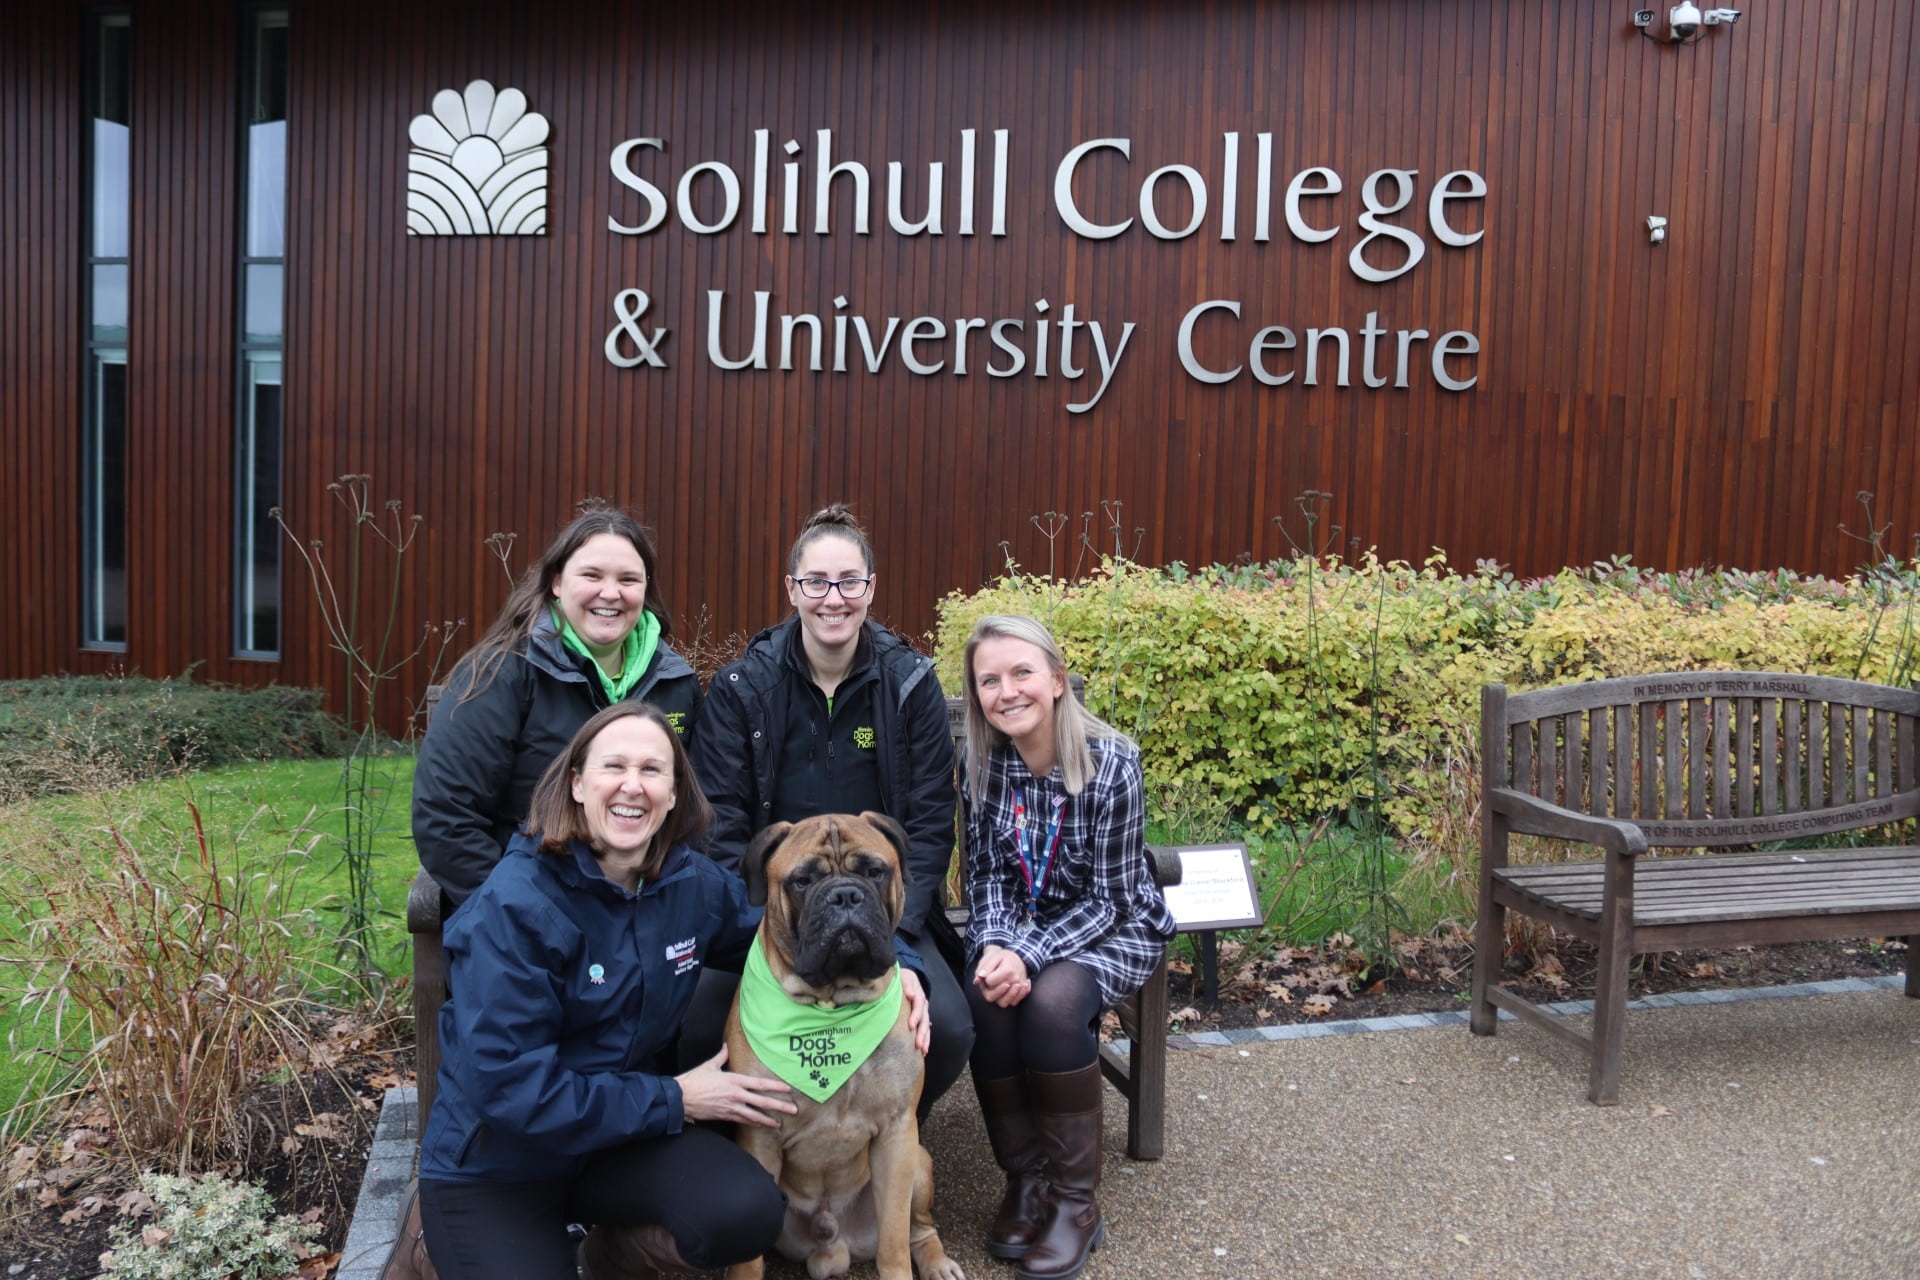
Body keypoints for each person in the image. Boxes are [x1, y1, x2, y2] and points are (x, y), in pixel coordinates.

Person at [410, 702, 794, 1280]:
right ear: (577, 784)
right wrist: (676, 1100)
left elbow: (787, 937)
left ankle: (605, 1250)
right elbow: (514, 1090)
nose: (632, 787)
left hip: (616, 1142)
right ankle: (427, 1242)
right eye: (614, 766)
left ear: (673, 793)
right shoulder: (515, 906)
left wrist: (899, 970)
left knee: (746, 1213)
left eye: (652, 771)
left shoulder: (688, 884)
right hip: (501, 1162)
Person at [686, 503, 973, 1119]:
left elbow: (926, 828)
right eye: (816, 582)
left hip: (889, 916)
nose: (833, 599)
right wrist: (761, 941)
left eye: (850, 581)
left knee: (945, 1028)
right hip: (767, 921)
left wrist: (905, 954)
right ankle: (753, 1170)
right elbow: (720, 831)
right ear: (792, 589)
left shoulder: (908, 686)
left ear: (872, 587)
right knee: (691, 1024)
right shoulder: (743, 692)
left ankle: (879, 1142)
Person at [958, 614, 1176, 1280]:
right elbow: (987, 875)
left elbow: (1112, 901)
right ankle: (1026, 1180)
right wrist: (997, 945)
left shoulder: (1112, 764)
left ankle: (1077, 1203)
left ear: (1056, 679)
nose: (1007, 691)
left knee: (1052, 1006)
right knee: (983, 997)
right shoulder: (982, 763)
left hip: (1114, 926)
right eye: (989, 680)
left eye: (1021, 672)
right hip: (1022, 924)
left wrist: (1028, 954)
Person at [413, 506, 700, 910]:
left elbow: (690, 814)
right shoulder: (502, 675)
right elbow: (445, 818)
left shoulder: (674, 684)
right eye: (592, 575)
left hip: (642, 915)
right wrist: (521, 915)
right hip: (526, 918)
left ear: (645, 589)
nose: (611, 593)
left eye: (628, 579)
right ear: (556, 583)